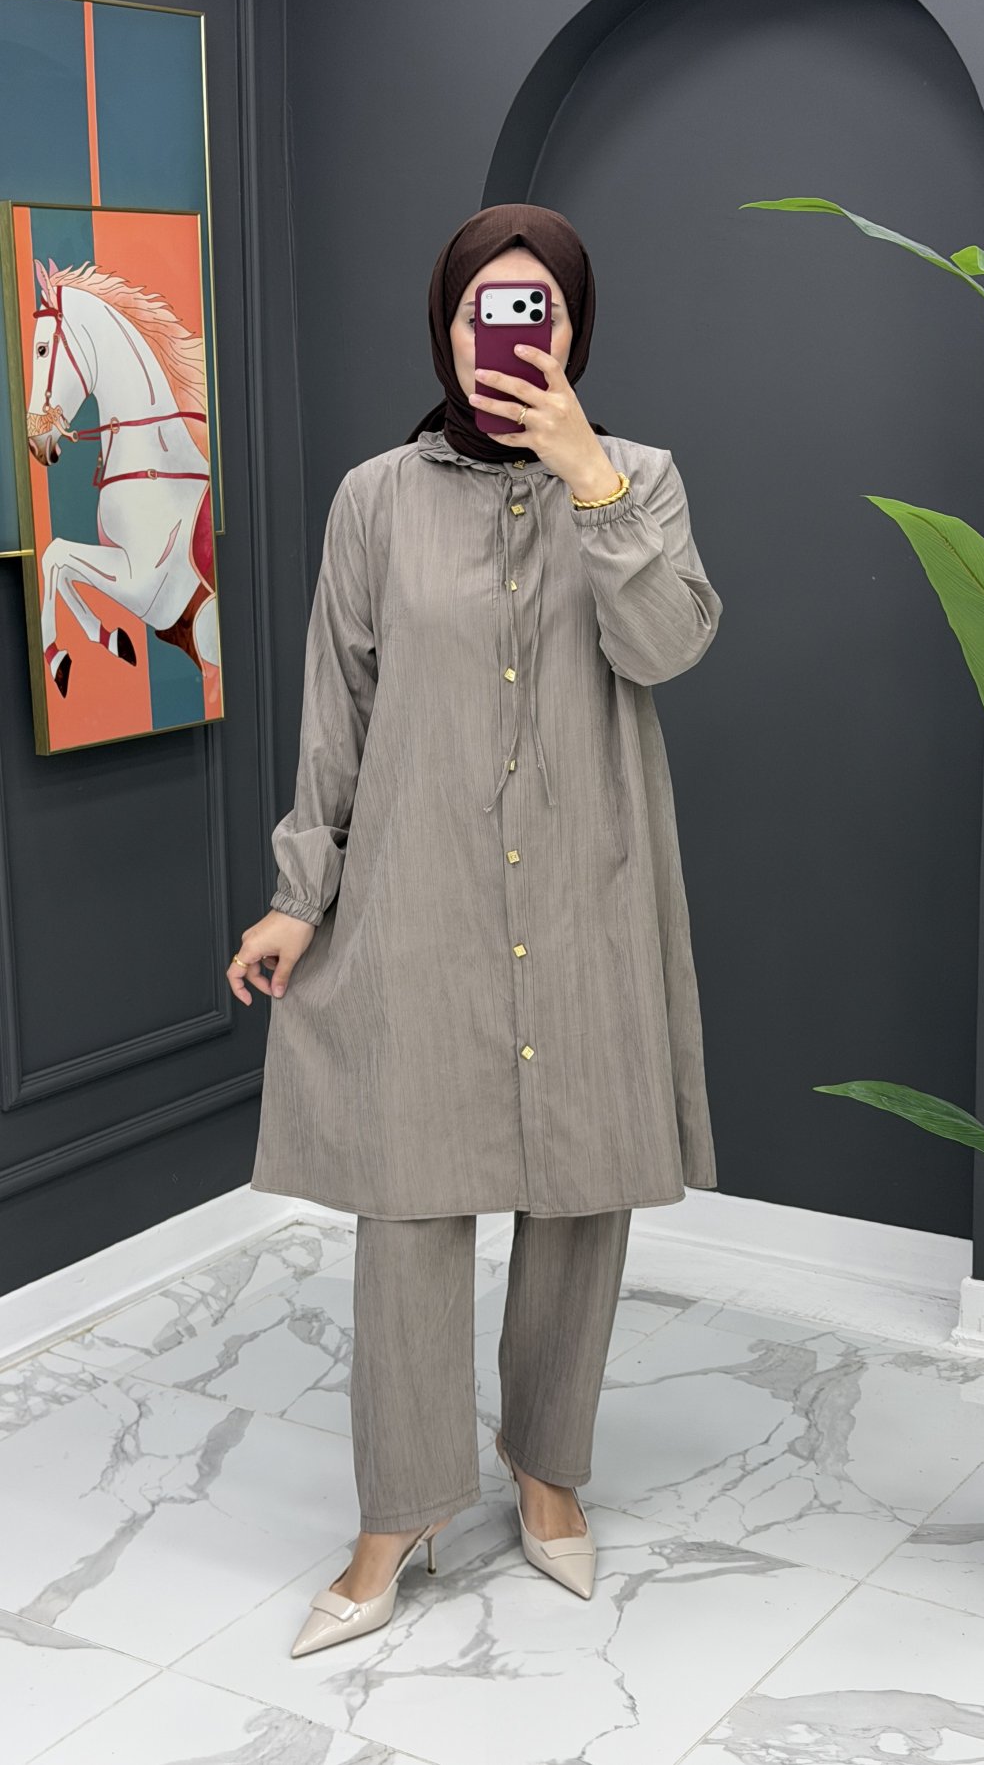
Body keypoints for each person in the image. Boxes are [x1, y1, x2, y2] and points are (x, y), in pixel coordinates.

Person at [227, 204, 723, 1655]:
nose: (507, 338)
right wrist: (296, 891)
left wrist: (590, 483)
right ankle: (402, 1508)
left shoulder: (640, 476)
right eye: (481, 313)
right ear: (443, 328)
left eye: (536, 313)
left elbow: (670, 644)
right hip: (420, 896)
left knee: (582, 1195)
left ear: (574, 329)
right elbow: (339, 707)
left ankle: (546, 1470)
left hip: (587, 893)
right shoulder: (374, 499)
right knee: (410, 1205)